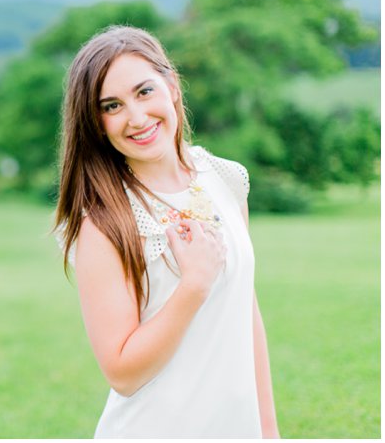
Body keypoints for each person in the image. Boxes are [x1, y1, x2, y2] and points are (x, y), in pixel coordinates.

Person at [54, 25, 280, 438]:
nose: (137, 118)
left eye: (144, 92)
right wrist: (193, 286)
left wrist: (268, 430)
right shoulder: (104, 223)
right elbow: (122, 373)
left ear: (171, 85)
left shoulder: (225, 179)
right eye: (112, 106)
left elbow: (246, 312)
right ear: (96, 122)